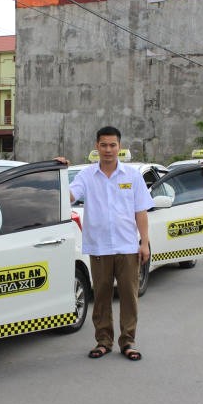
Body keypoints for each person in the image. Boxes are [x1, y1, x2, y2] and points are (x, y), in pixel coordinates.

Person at [58, 126, 153, 361]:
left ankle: (128, 341)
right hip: (99, 247)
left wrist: (145, 243)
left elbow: (141, 212)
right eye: (104, 145)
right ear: (96, 147)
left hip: (128, 247)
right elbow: (68, 196)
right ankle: (103, 341)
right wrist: (58, 171)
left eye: (113, 145)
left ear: (119, 147)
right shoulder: (86, 176)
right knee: (100, 297)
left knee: (129, 297)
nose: (108, 150)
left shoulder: (132, 176)